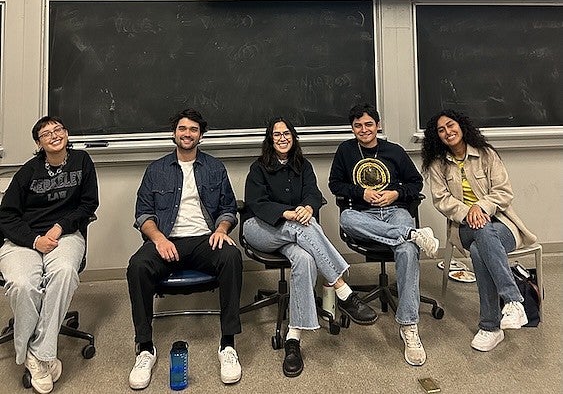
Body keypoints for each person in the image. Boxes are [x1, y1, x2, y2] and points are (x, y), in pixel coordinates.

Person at [243, 117, 377, 378]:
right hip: (260, 229)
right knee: (301, 227)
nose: (282, 138)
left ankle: (293, 339)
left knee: (304, 258)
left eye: (286, 134)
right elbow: (256, 203)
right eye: (276, 134)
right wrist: (288, 213)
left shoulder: (303, 166)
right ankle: (343, 290)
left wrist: (307, 207)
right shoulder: (258, 168)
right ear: (270, 140)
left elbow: (314, 194)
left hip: (293, 236)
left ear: (293, 137)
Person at [126, 108, 243, 389]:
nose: (187, 134)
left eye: (192, 129)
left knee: (231, 256)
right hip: (167, 240)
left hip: (205, 239)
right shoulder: (156, 170)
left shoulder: (215, 167)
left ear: (200, 135)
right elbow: (143, 214)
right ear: (174, 133)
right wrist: (158, 239)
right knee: (137, 266)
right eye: (182, 129)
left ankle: (228, 344)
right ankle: (145, 348)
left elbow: (228, 208)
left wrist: (221, 229)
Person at [328, 103, 439, 367]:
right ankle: (412, 233)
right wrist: (360, 193)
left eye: (368, 124)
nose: (363, 130)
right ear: (352, 129)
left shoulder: (395, 151)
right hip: (362, 215)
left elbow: (415, 183)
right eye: (358, 126)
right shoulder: (345, 151)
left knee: (407, 250)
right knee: (346, 218)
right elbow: (335, 184)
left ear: (378, 125)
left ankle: (409, 326)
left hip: (395, 211)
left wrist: (395, 193)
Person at [421, 109, 538, 352]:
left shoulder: (486, 155)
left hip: (501, 224)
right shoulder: (437, 165)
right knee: (480, 234)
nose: (447, 132)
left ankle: (490, 327)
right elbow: (441, 200)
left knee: (479, 248)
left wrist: (481, 208)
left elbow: (504, 192)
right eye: (441, 130)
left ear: (462, 126)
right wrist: (469, 213)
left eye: (451, 125)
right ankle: (514, 300)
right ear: (437, 137)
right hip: (463, 227)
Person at [0, 115, 99, 394]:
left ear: (67, 134)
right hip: (23, 239)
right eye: (46, 133)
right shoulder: (27, 173)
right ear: (38, 143)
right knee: (23, 284)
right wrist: (34, 240)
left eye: (59, 130)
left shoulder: (82, 162)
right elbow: (6, 217)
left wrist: (59, 228)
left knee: (64, 272)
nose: (54, 135)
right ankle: (41, 354)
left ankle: (38, 355)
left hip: (64, 235)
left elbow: (88, 204)